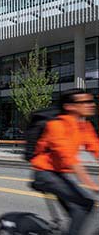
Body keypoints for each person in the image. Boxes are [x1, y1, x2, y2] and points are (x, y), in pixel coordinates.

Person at [31, 90, 99, 235]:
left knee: (82, 209)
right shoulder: (56, 125)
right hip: (45, 174)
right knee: (83, 206)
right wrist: (91, 185)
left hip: (60, 174)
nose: (91, 105)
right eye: (85, 102)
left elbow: (96, 149)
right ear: (69, 106)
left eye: (91, 101)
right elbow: (68, 158)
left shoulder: (85, 127)